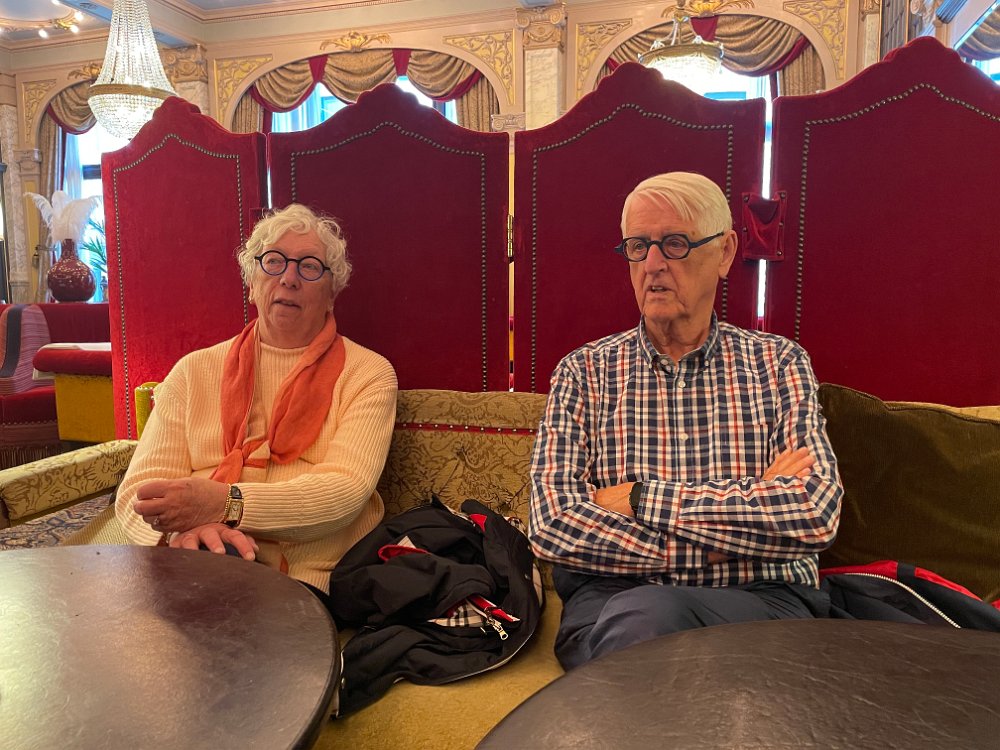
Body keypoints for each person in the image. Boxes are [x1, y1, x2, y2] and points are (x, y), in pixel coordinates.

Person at [528, 172, 843, 670]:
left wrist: (639, 498)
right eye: (638, 246)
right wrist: (727, 535)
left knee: (644, 634)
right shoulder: (583, 373)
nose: (652, 265)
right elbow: (553, 525)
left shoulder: (778, 363)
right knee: (642, 620)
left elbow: (812, 511)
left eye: (675, 244)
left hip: (762, 601)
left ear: (724, 252)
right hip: (614, 602)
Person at [115, 203, 397, 593]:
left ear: (331, 294)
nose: (289, 279)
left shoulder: (368, 374)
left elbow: (344, 493)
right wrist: (188, 530)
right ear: (252, 283)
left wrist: (224, 505)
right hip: (190, 562)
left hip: (306, 578)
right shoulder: (192, 371)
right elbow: (137, 491)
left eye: (310, 266)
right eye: (274, 262)